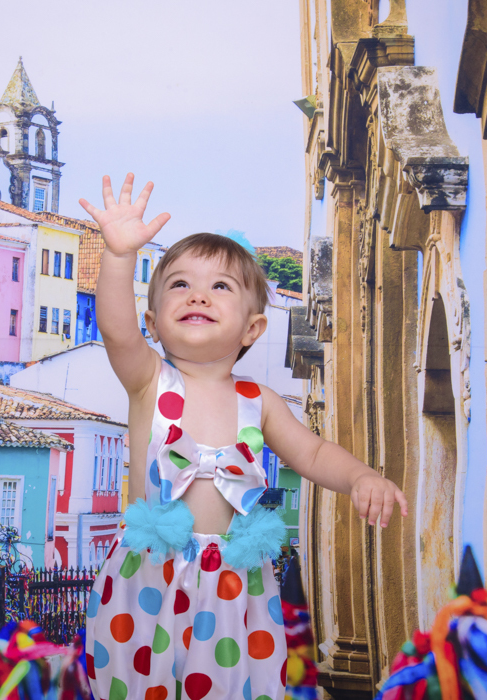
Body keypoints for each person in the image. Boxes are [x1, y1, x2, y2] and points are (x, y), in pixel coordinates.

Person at [80, 174, 408, 700]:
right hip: (148, 579)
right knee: (137, 687)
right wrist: (120, 255)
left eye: (221, 287)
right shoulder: (149, 381)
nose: (199, 296)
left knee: (234, 687)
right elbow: (117, 330)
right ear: (155, 320)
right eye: (180, 285)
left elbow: (314, 452)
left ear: (252, 329)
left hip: (235, 588)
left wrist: (361, 477)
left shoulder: (260, 401)